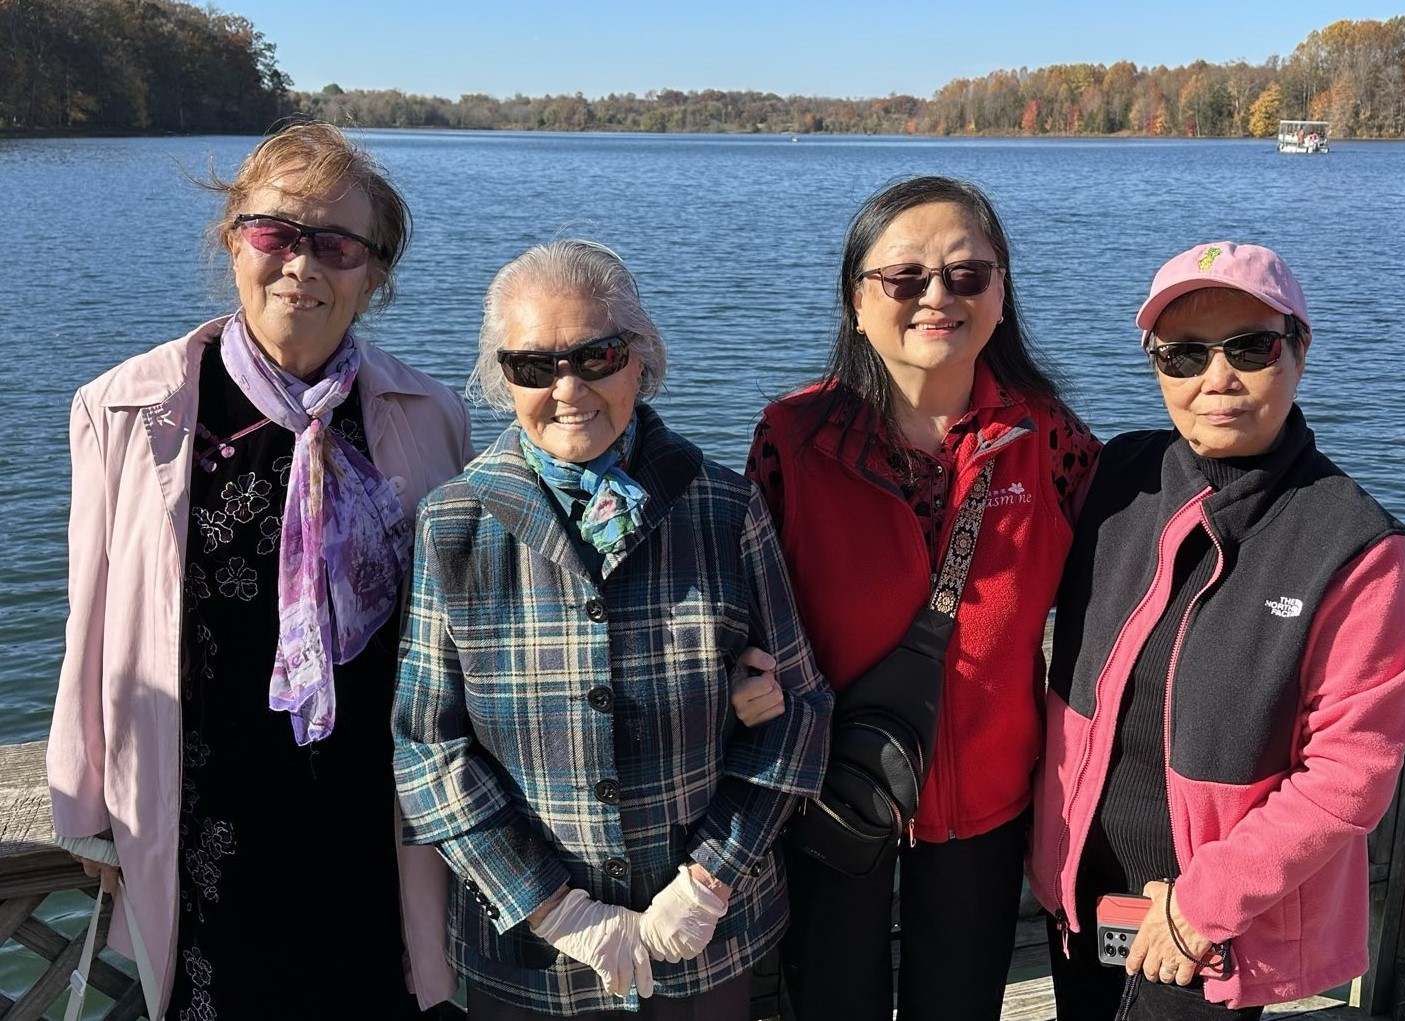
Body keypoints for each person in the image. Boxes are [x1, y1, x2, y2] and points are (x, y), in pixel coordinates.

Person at [45, 121, 474, 1018]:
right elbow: (91, 620)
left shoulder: (431, 415)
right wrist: (82, 807)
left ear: (374, 273)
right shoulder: (124, 408)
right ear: (234, 240)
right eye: (276, 232)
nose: (301, 264)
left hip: (372, 816)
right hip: (200, 819)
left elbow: (466, 622)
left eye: (337, 244)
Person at [391, 239, 833, 1020]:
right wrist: (553, 906)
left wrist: (708, 879)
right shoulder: (452, 524)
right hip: (529, 958)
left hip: (704, 942)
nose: (568, 389)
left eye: (596, 356)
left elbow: (799, 707)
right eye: (533, 366)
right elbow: (427, 748)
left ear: (639, 359)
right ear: (503, 378)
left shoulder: (724, 509)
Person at [1031, 242, 1405, 1020]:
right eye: (1183, 355)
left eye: (1250, 347)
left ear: (1299, 348)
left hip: (1214, 932)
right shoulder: (1115, 478)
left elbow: (1349, 775)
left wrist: (1200, 907)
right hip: (1083, 893)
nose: (1216, 377)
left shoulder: (1357, 548)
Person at [742, 175, 1101, 1020]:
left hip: (986, 803)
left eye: (966, 275)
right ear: (857, 299)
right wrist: (738, 673)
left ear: (1001, 296)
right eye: (904, 277)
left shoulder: (1048, 437)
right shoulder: (794, 438)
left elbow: (1126, 581)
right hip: (833, 787)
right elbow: (737, 599)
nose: (937, 297)